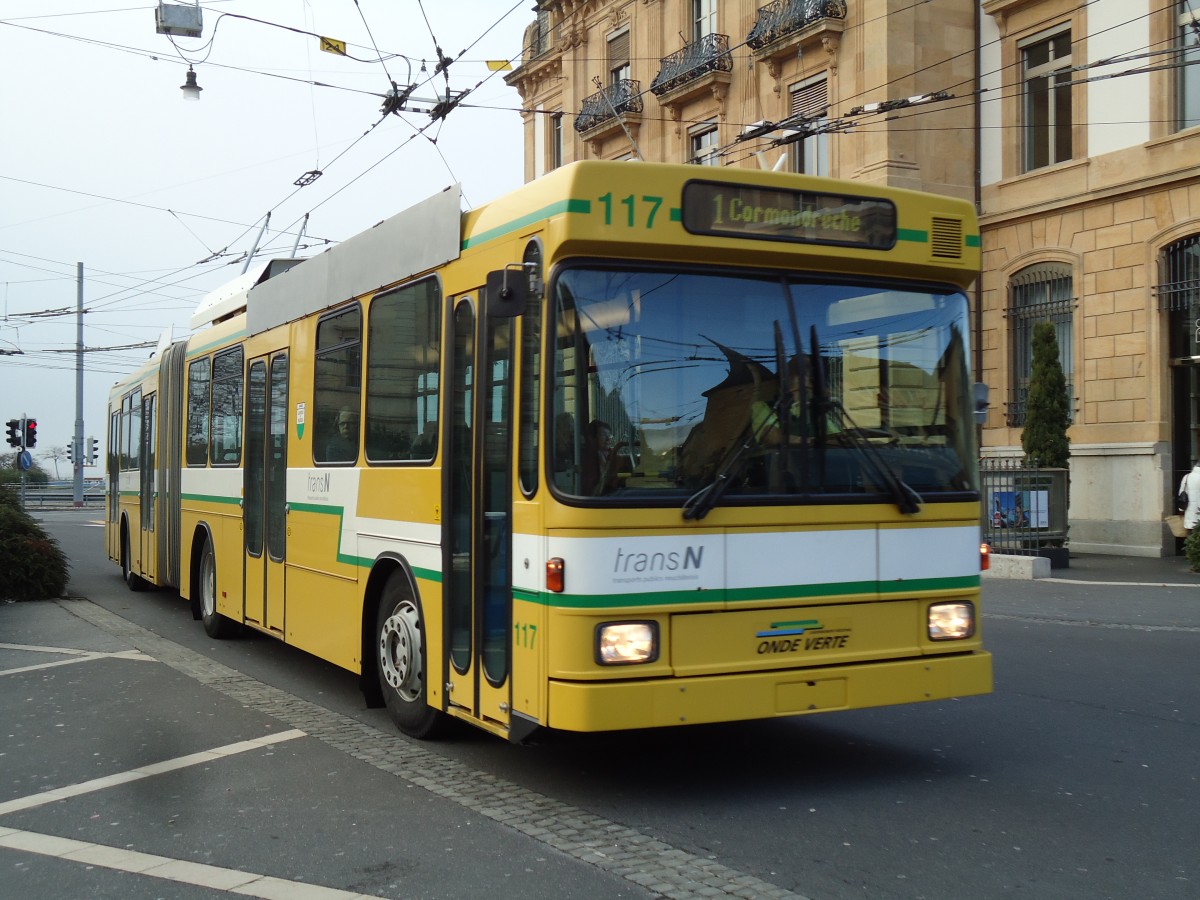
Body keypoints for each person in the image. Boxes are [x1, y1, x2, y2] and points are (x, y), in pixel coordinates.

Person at [581, 419, 625, 495]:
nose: (608, 439)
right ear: (591, 438)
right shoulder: (585, 458)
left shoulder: (614, 454)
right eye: (603, 435)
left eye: (609, 435)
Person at [1179, 460, 1200, 531]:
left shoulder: (1187, 477)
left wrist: (1181, 509)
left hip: (1190, 510)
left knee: (1191, 534)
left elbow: (1182, 494)